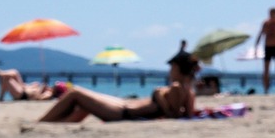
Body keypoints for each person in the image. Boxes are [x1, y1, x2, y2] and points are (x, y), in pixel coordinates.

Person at [39, 53, 196, 122]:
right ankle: (52, 124)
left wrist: (159, 96)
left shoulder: (176, 87)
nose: (169, 71)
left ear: (176, 67)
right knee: (84, 104)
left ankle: (42, 123)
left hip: (124, 112)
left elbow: (173, 115)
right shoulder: (188, 90)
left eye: (171, 68)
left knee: (75, 93)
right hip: (124, 107)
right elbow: (187, 114)